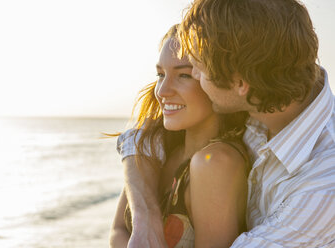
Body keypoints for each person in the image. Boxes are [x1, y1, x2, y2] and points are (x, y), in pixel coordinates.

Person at [119, 0, 335, 247]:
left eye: (197, 69)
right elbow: (138, 139)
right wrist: (145, 216)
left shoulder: (324, 186)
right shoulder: (272, 89)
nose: (198, 78)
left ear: (240, 81)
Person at [109, 24, 251, 248]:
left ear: (217, 81)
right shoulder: (158, 149)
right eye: (161, 74)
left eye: (184, 75)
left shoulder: (216, 163)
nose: (162, 91)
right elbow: (118, 230)